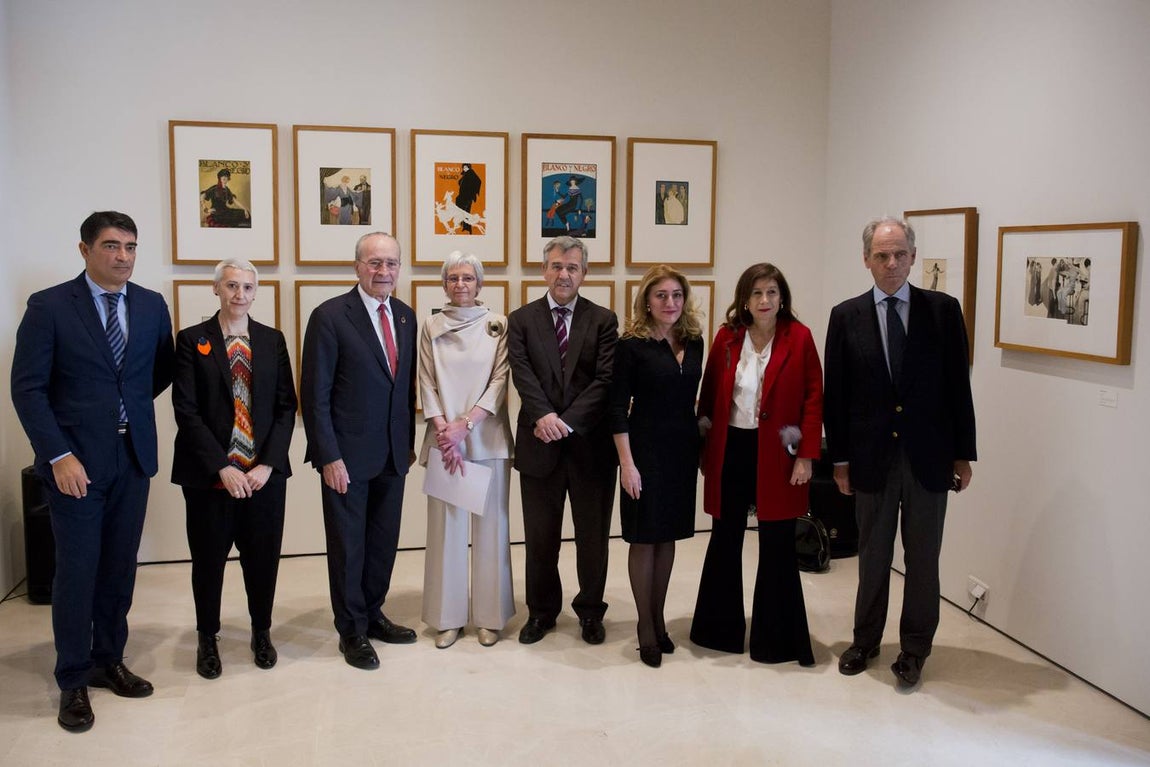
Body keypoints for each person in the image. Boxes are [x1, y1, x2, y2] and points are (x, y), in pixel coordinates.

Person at [11, 211, 175, 732]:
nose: (123, 256)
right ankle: (72, 679)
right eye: (110, 246)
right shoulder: (51, 306)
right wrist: (58, 455)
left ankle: (108, 660)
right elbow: (28, 388)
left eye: (130, 246)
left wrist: (120, 416)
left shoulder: (151, 305)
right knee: (77, 572)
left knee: (119, 569)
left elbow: (156, 373)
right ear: (84, 250)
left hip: (132, 459)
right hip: (75, 465)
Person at [825, 216, 976, 688]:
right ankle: (865, 639)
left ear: (912, 257)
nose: (891, 264)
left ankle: (914, 650)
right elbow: (838, 396)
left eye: (900, 255)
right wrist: (841, 461)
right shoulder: (845, 316)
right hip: (871, 459)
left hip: (929, 457)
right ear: (866, 259)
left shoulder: (943, 311)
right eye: (881, 255)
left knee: (923, 558)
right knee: (872, 555)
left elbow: (958, 388)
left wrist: (963, 454)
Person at [689, 263, 822, 666]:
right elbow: (709, 396)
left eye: (772, 293)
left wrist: (805, 455)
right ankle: (718, 632)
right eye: (757, 294)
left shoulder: (799, 338)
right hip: (732, 448)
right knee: (725, 538)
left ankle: (776, 641)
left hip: (779, 455)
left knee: (778, 544)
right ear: (744, 300)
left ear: (782, 297)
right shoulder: (727, 339)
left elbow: (813, 400)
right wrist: (704, 452)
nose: (765, 301)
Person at [170, 259, 297, 679]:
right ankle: (208, 637)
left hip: (262, 478)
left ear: (256, 292)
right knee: (208, 561)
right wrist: (221, 468)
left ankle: (262, 632)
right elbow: (186, 412)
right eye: (231, 286)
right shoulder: (192, 340)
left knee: (262, 560)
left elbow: (285, 407)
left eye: (247, 287)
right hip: (210, 479)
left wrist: (268, 465)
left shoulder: (272, 340)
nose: (239, 294)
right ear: (216, 290)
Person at [300, 232, 418, 670]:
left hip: (391, 455)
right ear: (357, 267)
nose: (383, 271)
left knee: (383, 543)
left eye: (390, 263)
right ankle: (350, 630)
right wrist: (328, 456)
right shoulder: (330, 317)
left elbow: (403, 390)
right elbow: (315, 395)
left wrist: (405, 445)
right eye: (374, 263)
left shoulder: (405, 317)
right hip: (345, 458)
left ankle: (373, 614)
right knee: (348, 546)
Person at [507, 235, 618, 645]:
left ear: (584, 273)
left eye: (572, 267)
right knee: (540, 539)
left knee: (593, 539)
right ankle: (542, 612)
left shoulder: (604, 320)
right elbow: (523, 374)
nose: (564, 274)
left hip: (590, 448)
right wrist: (545, 416)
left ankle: (591, 611)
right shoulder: (521, 320)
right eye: (556, 266)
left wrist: (566, 422)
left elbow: (605, 380)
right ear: (543, 270)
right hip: (539, 446)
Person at [417, 251, 515, 649]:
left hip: (486, 436)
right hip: (444, 442)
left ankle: (491, 618)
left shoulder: (498, 325)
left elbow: (500, 379)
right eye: (453, 278)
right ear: (444, 284)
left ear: (480, 284)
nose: (461, 284)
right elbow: (425, 379)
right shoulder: (430, 326)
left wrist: (465, 425)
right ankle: (447, 619)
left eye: (468, 278)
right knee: (446, 531)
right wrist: (444, 429)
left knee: (492, 529)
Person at [609, 264, 704, 667]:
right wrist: (627, 465)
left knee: (668, 538)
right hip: (643, 452)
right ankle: (645, 626)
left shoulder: (695, 340)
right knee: (643, 538)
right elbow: (616, 409)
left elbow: (696, 400)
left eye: (677, 295)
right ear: (646, 301)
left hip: (682, 451)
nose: (670, 303)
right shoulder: (630, 345)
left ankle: (660, 619)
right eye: (661, 295)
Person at [456, 163, 482, 233]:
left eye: (466, 167)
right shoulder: (465, 175)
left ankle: (467, 227)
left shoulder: (471, 173)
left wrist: (473, 192)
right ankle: (465, 227)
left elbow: (478, 181)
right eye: (463, 167)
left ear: (469, 168)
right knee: (464, 212)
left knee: (465, 212)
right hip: (463, 196)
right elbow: (460, 183)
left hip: (467, 197)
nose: (464, 169)